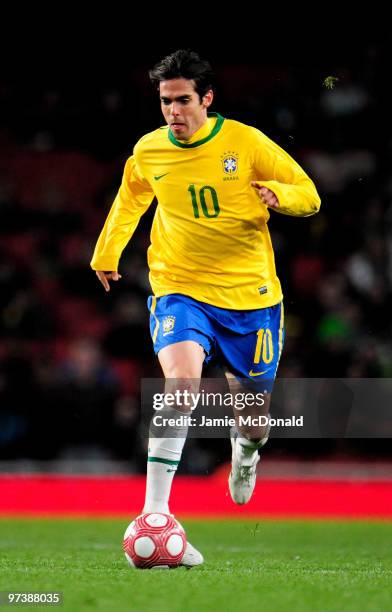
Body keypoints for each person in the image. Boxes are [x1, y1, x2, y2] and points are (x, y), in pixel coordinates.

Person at [90, 49, 321, 567]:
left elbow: (310, 193)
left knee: (253, 419)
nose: (173, 111)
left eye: (183, 100)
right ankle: (155, 512)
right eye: (165, 101)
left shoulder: (246, 141)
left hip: (250, 298)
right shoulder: (149, 150)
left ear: (207, 99)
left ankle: (245, 452)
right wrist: (107, 252)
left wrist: (279, 196)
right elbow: (131, 198)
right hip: (181, 287)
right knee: (182, 385)